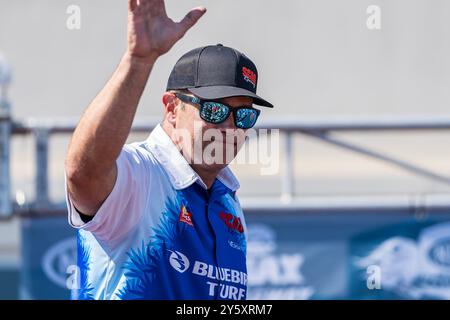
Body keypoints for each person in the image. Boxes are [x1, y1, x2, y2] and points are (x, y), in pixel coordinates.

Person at [65, 0, 273, 300]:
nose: (230, 128)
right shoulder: (142, 175)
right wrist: (139, 61)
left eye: (243, 116)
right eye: (214, 110)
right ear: (172, 108)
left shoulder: (228, 200)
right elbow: (82, 173)